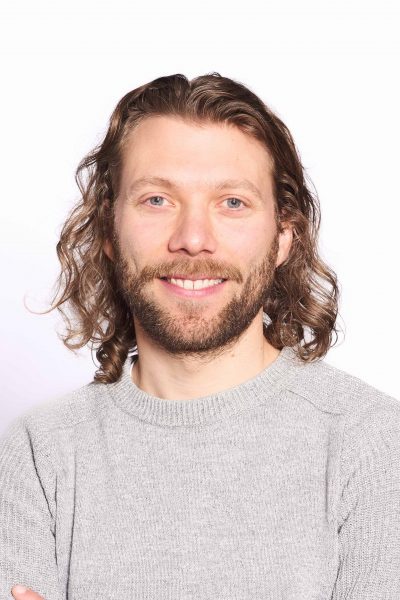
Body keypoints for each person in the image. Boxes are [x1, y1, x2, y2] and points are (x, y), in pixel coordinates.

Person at [1, 73, 400, 600]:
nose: (193, 240)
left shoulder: (376, 445)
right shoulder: (37, 454)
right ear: (108, 231)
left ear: (284, 234)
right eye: (157, 200)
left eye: (232, 202)